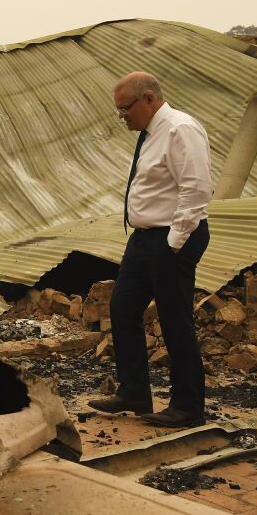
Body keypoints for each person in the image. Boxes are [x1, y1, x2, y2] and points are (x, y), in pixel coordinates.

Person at [88, 72, 212, 428]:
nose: (122, 116)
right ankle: (134, 392)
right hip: (145, 238)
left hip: (172, 237)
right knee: (123, 307)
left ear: (149, 99)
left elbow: (197, 188)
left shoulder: (179, 129)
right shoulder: (150, 133)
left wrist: (173, 242)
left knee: (175, 320)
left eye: (125, 108)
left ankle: (187, 406)